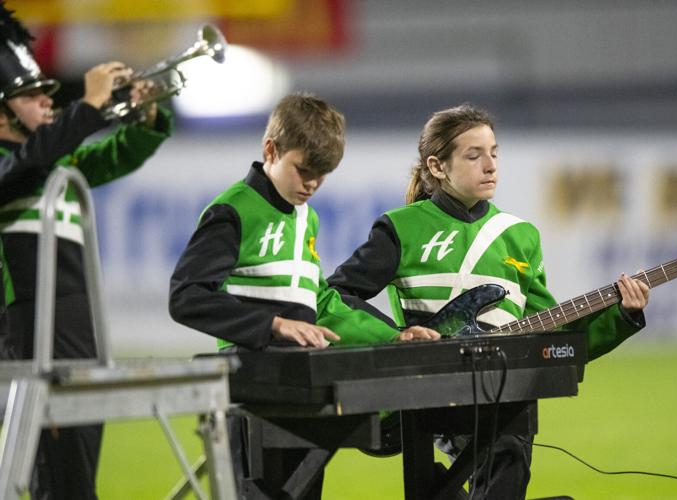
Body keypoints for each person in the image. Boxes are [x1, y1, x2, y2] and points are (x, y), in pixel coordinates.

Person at [327, 104, 650, 498]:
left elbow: (556, 334)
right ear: (437, 166)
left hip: (505, 394)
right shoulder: (402, 228)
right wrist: (395, 336)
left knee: (497, 467)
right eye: (474, 155)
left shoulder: (521, 236)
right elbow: (338, 295)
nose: (490, 165)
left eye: (494, 153)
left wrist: (622, 316)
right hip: (432, 393)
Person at [168, 92, 438, 499]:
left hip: (300, 389)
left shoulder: (304, 217)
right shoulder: (233, 211)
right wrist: (272, 325)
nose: (312, 183)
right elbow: (186, 296)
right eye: (304, 170)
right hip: (251, 393)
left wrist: (393, 337)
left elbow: (323, 302)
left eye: (323, 174)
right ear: (270, 149)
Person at [0, 3, 174, 498]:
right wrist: (89, 107)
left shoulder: (53, 165)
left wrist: (146, 117)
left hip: (76, 329)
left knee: (78, 473)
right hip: (31, 330)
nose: (46, 102)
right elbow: (29, 161)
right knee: (59, 477)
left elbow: (116, 154)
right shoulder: (18, 167)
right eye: (31, 95)